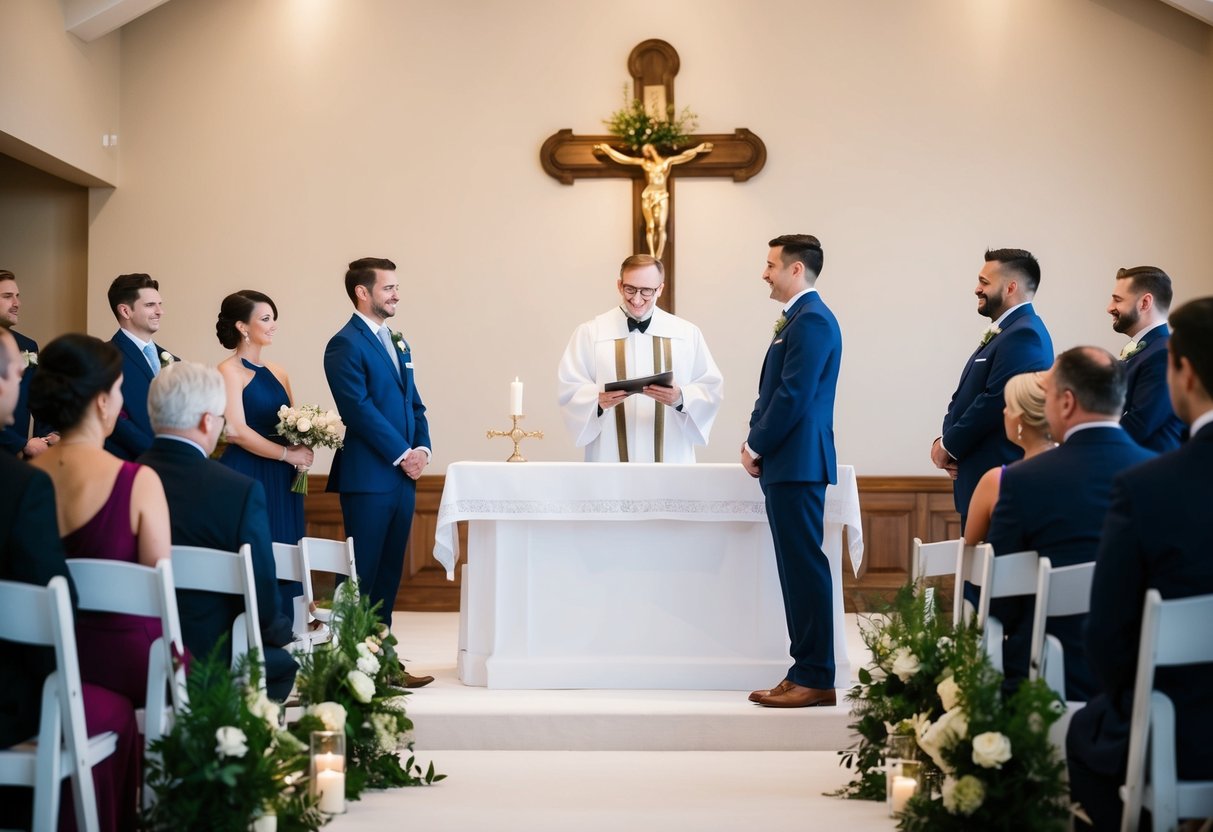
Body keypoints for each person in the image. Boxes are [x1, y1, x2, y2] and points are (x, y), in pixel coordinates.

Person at [1067, 297, 1213, 832]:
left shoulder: (1148, 488)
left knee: (1086, 736)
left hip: (1185, 734)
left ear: (1185, 372)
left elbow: (1107, 639)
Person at [0, 328, 141, 832]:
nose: (21, 376)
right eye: (14, 369)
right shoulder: (20, 486)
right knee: (118, 710)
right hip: (19, 699)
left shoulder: (31, 475)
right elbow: (52, 612)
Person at [985, 347, 1154, 701]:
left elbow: (1001, 600)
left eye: (1045, 395)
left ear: (1065, 403)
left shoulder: (1023, 481)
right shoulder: (1160, 474)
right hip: (1141, 675)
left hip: (1046, 677)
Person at [138, 362, 299, 701]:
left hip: (135, 653)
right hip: (213, 661)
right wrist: (282, 632)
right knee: (282, 664)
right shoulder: (237, 491)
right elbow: (263, 601)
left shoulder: (122, 480)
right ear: (207, 421)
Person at [29, 333, 172, 709]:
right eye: (121, 390)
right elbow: (160, 599)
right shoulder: (137, 482)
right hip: (119, 666)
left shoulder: (19, 478)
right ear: (103, 401)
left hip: (34, 663)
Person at [742, 234, 842, 709]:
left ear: (795, 269)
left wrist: (755, 442)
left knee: (804, 569)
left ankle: (817, 676)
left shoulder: (813, 321)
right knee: (795, 569)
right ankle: (803, 668)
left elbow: (793, 396)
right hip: (789, 462)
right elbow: (778, 392)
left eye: (770, 265)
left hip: (798, 462)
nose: (765, 273)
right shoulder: (799, 319)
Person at [324, 257, 433, 683]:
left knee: (388, 573)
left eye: (396, 288)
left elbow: (414, 403)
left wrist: (421, 447)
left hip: (402, 477)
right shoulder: (344, 344)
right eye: (388, 288)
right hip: (369, 477)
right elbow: (358, 409)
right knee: (361, 575)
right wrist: (402, 453)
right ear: (362, 293)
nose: (396, 295)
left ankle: (381, 662)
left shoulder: (397, 341)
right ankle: (347, 665)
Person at [557, 254, 724, 463]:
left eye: (646, 291)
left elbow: (711, 388)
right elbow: (570, 389)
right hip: (610, 456)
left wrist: (681, 398)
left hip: (670, 455)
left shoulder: (686, 334)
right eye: (630, 289)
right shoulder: (591, 333)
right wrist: (596, 401)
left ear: (660, 289)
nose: (637, 299)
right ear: (619, 285)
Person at [932, 248, 1054, 531]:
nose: (977, 288)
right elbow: (963, 396)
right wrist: (948, 443)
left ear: (1010, 287)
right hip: (976, 472)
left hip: (1000, 476)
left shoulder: (1025, 334)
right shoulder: (1008, 332)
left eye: (985, 282)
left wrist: (949, 446)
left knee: (984, 572)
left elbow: (995, 401)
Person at [215, 290, 313, 615]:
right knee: (257, 550)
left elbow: (294, 421)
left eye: (274, 319)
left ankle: (289, 627)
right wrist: (287, 455)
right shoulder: (228, 371)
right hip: (248, 473)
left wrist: (305, 444)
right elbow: (236, 431)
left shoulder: (278, 371)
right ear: (243, 327)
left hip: (284, 478)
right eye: (266, 319)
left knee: (287, 548)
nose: (273, 326)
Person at [963, 371, 1055, 545]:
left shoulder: (997, 481)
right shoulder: (1077, 472)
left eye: (1008, 405)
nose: (1004, 411)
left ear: (1019, 418)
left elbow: (969, 553)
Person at [1107, 265, 1185, 452]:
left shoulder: (1163, 353)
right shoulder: (1151, 348)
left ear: (1144, 303)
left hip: (1151, 466)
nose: (1109, 308)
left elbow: (1139, 424)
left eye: (1117, 300)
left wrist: (1087, 443)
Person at [593, 142, 713, 258]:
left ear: (653, 148)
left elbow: (685, 156)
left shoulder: (667, 162)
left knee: (661, 226)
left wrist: (698, 148)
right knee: (650, 226)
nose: (646, 152)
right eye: (645, 150)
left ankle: (658, 256)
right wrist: (608, 150)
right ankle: (651, 254)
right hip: (649, 195)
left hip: (661, 195)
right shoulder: (645, 163)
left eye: (648, 149)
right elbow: (625, 159)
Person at [105, 272, 178, 460]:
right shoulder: (104, 358)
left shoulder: (173, 361)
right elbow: (114, 419)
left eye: (160, 304)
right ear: (125, 311)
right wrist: (156, 453)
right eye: (150, 305)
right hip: (127, 463)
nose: (160, 311)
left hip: (173, 466)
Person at [0, 269, 57, 457]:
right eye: (7, 296)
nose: (17, 304)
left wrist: (49, 434)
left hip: (17, 463)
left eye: (17, 296)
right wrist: (20, 443)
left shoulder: (28, 345)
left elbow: (38, 397)